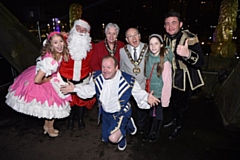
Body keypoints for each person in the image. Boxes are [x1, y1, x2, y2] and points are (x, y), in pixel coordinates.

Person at [60, 55, 160, 151]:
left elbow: (139, 94)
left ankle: (123, 134)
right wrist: (75, 89)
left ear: (116, 68)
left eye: (109, 67)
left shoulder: (128, 80)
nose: (105, 70)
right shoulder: (97, 77)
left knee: (113, 138)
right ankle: (129, 123)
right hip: (106, 113)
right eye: (103, 67)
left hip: (121, 112)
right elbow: (88, 90)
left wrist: (147, 98)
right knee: (105, 138)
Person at [5, 32, 72, 137]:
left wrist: (64, 34)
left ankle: (47, 126)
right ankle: (50, 128)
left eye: (60, 41)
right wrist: (46, 80)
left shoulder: (59, 52)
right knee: (53, 105)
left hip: (51, 77)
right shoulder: (50, 61)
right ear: (50, 45)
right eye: (55, 42)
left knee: (53, 106)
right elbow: (37, 80)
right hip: (41, 80)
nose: (59, 45)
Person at [163, 9, 205, 139]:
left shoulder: (190, 37)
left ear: (180, 24)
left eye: (173, 23)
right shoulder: (165, 37)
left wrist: (187, 54)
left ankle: (179, 126)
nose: (170, 26)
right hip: (171, 77)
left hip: (185, 78)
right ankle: (174, 120)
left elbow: (201, 61)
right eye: (167, 23)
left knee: (182, 105)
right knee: (173, 102)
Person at [59, 19, 96, 130]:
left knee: (81, 101)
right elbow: (48, 44)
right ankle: (70, 120)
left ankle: (80, 119)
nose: (80, 31)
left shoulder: (90, 46)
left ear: (87, 33)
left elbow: (93, 62)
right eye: (78, 28)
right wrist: (56, 35)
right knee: (69, 101)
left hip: (83, 79)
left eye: (84, 30)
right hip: (66, 79)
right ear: (73, 29)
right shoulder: (63, 41)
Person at [142, 34, 172, 142]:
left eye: (156, 43)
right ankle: (150, 131)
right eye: (151, 44)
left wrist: (165, 100)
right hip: (150, 92)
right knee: (151, 113)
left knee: (158, 113)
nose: (153, 46)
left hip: (160, 93)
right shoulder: (147, 57)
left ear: (161, 45)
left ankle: (156, 132)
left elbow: (168, 83)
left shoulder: (165, 62)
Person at [119, 28, 148, 134]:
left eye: (135, 35)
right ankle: (128, 124)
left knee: (142, 107)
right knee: (128, 106)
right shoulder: (122, 51)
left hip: (143, 83)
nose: (134, 38)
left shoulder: (148, 48)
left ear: (139, 36)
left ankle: (141, 126)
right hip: (129, 85)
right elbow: (122, 68)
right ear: (127, 39)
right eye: (130, 36)